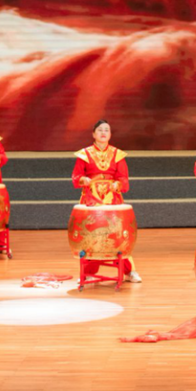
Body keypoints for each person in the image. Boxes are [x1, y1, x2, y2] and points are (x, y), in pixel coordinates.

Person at [72, 119, 140, 282]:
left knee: (118, 235)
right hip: (91, 198)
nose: (103, 133)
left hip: (112, 197)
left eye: (107, 130)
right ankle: (88, 272)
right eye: (100, 130)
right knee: (92, 235)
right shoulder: (85, 154)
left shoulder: (117, 154)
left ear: (110, 134)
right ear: (93, 134)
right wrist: (84, 180)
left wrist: (118, 184)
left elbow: (123, 178)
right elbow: (76, 176)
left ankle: (129, 271)